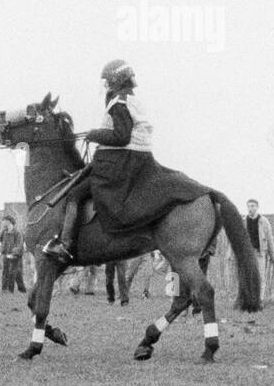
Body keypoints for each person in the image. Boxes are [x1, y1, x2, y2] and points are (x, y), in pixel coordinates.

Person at [45, 59, 207, 263]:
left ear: (117, 80)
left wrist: (96, 135)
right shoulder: (133, 101)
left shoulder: (119, 104)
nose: (106, 86)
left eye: (108, 81)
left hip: (120, 162)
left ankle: (64, 244)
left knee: (75, 195)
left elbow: (121, 137)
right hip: (138, 159)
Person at [244, 198, 274, 280]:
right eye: (248, 206)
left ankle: (260, 293)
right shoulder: (244, 221)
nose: (250, 208)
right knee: (247, 278)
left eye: (252, 206)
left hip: (259, 253)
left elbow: (269, 240)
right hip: (247, 254)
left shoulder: (264, 222)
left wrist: (273, 257)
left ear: (257, 207)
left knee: (260, 278)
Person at [0, 216, 26, 293]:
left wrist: (13, 253)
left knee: (14, 273)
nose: (3, 223)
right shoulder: (4, 231)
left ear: (9, 222)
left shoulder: (17, 233)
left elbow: (19, 245)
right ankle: (4, 289)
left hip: (16, 256)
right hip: (6, 254)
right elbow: (1, 241)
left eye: (4, 221)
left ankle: (15, 290)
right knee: (5, 272)